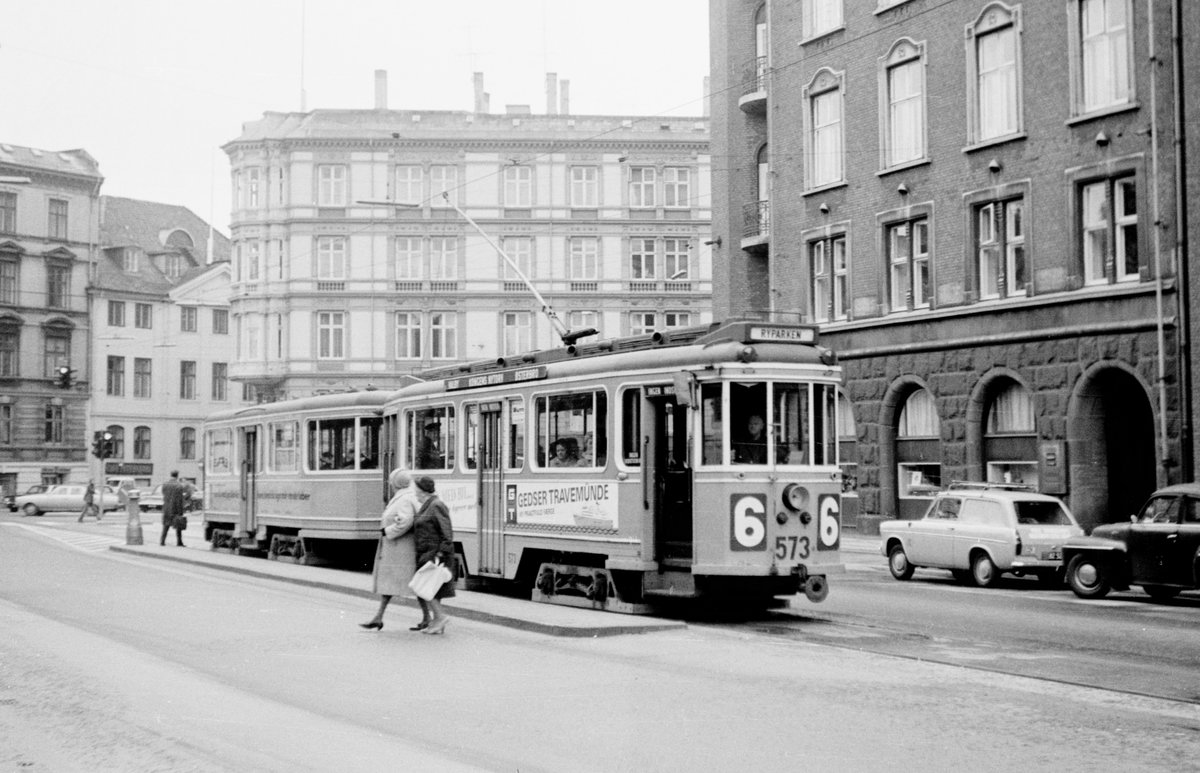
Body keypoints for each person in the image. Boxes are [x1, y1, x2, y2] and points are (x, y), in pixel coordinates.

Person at [360, 469, 421, 632]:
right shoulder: (405, 496)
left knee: (413, 584)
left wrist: (387, 531)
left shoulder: (405, 499)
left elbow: (406, 521)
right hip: (397, 548)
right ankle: (379, 617)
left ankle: (432, 617)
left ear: (396, 483)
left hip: (400, 549)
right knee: (396, 584)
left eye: (391, 482)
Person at [411, 475, 455, 635]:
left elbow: (446, 531)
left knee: (424, 587)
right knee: (431, 588)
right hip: (427, 552)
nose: (415, 494)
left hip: (435, 553)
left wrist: (441, 553)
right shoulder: (428, 505)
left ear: (423, 491)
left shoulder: (436, 505)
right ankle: (437, 622)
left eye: (416, 491)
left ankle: (441, 617)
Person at [159, 470, 189, 547]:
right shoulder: (178, 486)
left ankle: (162, 541)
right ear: (177, 476)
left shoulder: (165, 484)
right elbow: (179, 500)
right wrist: (180, 511)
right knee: (178, 526)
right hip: (175, 508)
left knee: (166, 525)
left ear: (171, 475)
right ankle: (179, 542)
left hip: (166, 508)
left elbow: (164, 494)